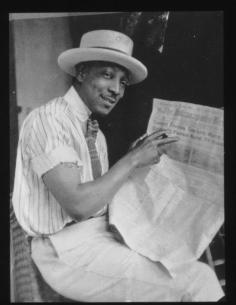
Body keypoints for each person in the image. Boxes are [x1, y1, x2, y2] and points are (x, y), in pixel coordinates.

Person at [12, 29, 224, 302]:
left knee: (187, 260)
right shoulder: (48, 120)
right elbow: (78, 205)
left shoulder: (94, 132)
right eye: (107, 75)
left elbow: (99, 196)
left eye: (123, 82)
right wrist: (132, 159)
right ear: (81, 72)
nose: (116, 90)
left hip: (101, 233)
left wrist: (137, 159)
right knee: (196, 282)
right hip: (63, 249)